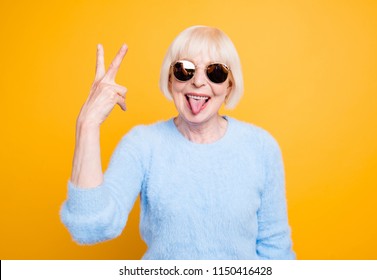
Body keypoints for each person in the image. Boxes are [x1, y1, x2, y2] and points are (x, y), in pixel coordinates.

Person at [60, 25, 295, 260]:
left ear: (229, 86)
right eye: (185, 70)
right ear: (171, 79)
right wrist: (87, 125)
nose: (198, 82)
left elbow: (276, 251)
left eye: (215, 72)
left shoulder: (261, 147)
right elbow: (89, 227)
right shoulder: (142, 145)